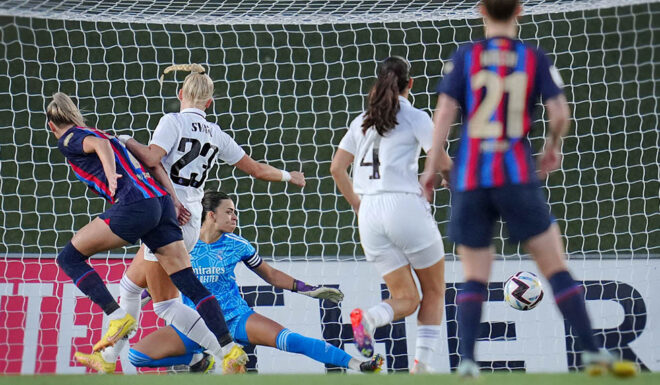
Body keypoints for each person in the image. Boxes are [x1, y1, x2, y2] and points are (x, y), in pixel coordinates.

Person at [420, 0, 637, 378]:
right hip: (516, 175)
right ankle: (589, 351)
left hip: (471, 178)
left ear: (480, 9)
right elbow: (560, 113)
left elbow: (444, 113)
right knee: (554, 265)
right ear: (520, 10)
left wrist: (430, 165)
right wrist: (552, 148)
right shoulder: (532, 57)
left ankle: (468, 361)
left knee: (474, 273)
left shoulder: (466, 56)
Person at [73, 64, 306, 374]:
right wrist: (290, 176)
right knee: (131, 288)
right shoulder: (217, 135)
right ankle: (109, 359)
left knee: (164, 304)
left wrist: (127, 140)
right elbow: (257, 170)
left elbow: (153, 158)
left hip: (164, 216)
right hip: (191, 219)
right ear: (209, 102)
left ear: (180, 94)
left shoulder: (172, 121)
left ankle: (223, 352)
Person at [45, 92, 248, 375]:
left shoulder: (68, 139)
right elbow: (151, 164)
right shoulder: (104, 132)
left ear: (51, 125)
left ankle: (117, 319)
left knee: (69, 258)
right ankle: (229, 350)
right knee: (182, 284)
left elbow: (100, 145)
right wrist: (173, 199)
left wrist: (110, 173)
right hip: (161, 202)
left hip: (134, 206)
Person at [126, 191, 384, 373]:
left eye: (235, 212)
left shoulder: (239, 245)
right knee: (137, 356)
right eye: (229, 212)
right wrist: (140, 297)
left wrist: (309, 289)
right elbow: (159, 284)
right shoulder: (180, 244)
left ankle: (357, 364)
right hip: (192, 324)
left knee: (292, 341)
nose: (235, 217)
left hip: (235, 318)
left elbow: (270, 275)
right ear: (210, 215)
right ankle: (198, 357)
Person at [330, 56, 446, 374]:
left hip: (369, 214)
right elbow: (441, 160)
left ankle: (368, 319)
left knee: (406, 298)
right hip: (403, 206)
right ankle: (421, 366)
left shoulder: (361, 120)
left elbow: (336, 168)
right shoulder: (415, 116)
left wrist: (357, 203)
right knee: (434, 290)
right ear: (410, 84)